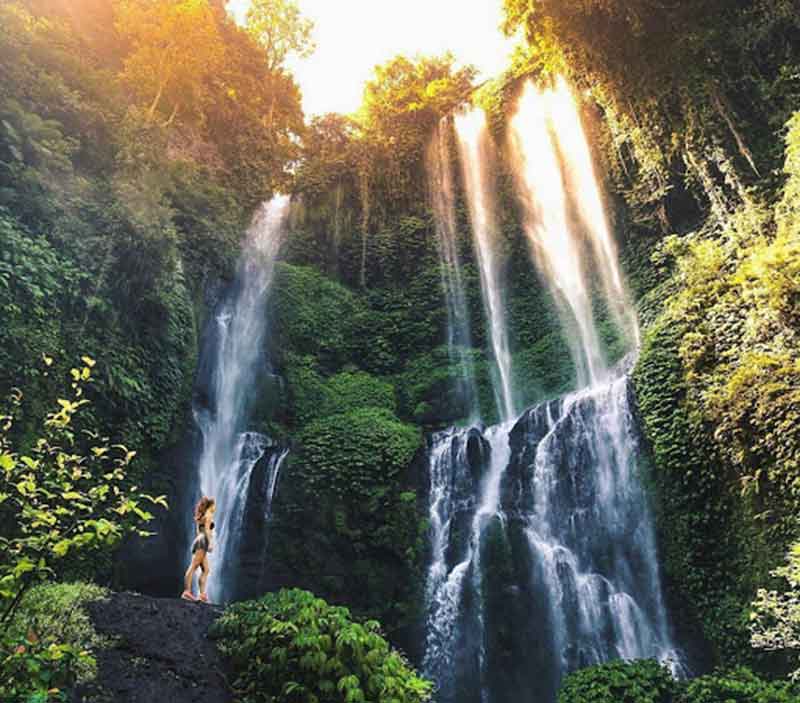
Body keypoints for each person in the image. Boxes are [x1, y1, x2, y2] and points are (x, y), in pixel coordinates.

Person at [182, 496, 216, 603]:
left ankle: (202, 594)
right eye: (214, 505)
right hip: (203, 541)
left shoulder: (201, 516)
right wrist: (209, 544)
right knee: (194, 566)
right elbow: (207, 530)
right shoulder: (209, 515)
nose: (215, 507)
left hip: (199, 539)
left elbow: (198, 531)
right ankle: (187, 592)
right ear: (210, 506)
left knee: (206, 569)